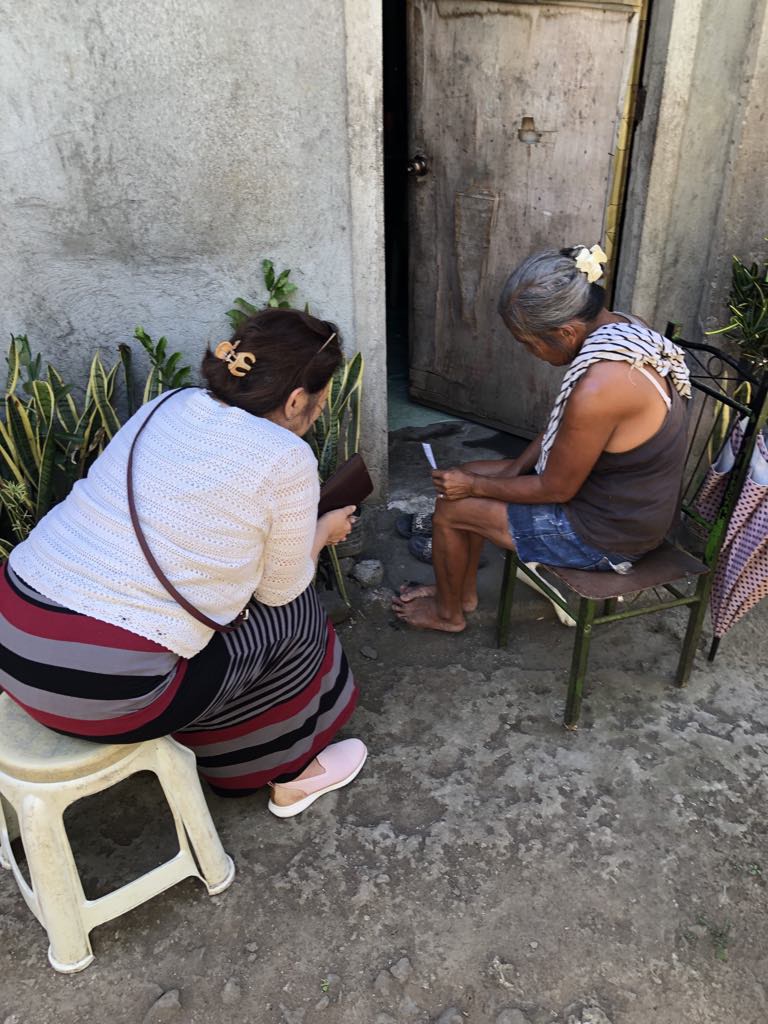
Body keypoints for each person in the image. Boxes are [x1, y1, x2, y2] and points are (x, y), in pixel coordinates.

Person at [0, 308, 367, 817]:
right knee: (294, 614)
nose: (320, 411)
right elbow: (279, 589)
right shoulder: (286, 456)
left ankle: (220, 732)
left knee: (224, 622)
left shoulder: (168, 403)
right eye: (321, 400)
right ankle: (288, 773)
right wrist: (323, 532)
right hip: (100, 693)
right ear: (296, 399)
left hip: (15, 633)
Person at [393, 244, 692, 632]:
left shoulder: (603, 385)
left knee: (454, 506)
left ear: (566, 332)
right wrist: (511, 470)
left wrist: (478, 486)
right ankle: (458, 594)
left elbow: (556, 489)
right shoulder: (621, 329)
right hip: (616, 501)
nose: (529, 351)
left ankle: (448, 615)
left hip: (609, 536)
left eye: (528, 342)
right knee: (464, 476)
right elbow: (563, 426)